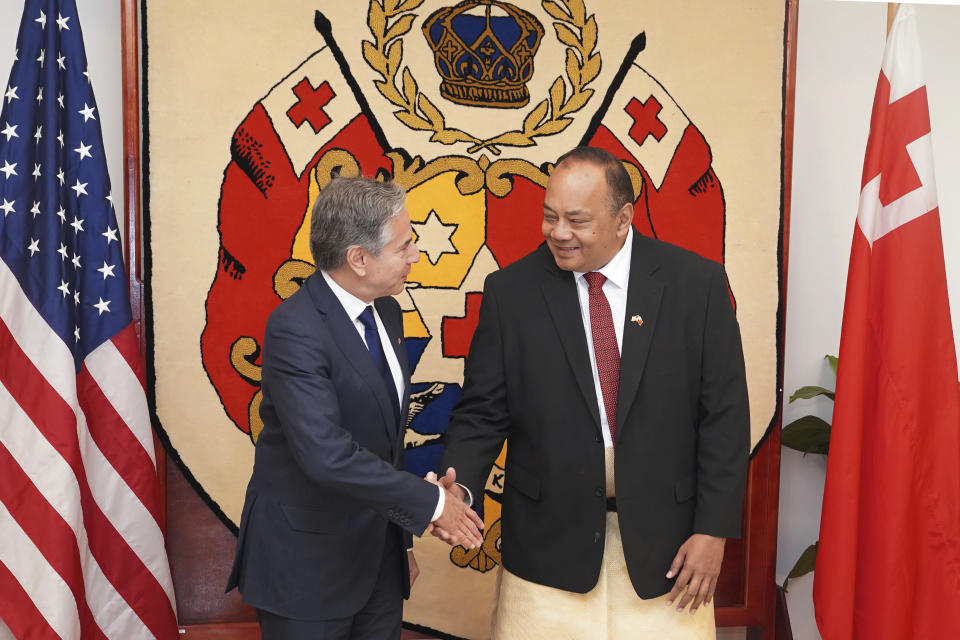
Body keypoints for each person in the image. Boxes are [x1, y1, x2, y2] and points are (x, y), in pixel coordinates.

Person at [436, 147, 749, 639]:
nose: (558, 233)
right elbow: (481, 413)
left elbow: (724, 419)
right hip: (546, 550)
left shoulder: (696, 285)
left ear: (623, 218)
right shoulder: (510, 292)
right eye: (549, 216)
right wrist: (463, 489)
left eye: (577, 220)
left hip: (667, 551)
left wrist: (712, 531)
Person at [226, 176, 484, 640]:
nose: (415, 256)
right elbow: (327, 455)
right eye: (404, 246)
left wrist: (401, 540)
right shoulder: (295, 328)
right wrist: (431, 504)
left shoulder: (386, 311)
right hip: (307, 570)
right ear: (359, 259)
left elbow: (385, 440)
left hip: (378, 563)